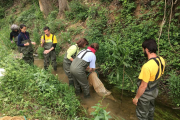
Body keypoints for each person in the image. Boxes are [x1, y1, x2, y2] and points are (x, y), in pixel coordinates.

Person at [132, 39, 165, 120]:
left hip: (145, 95)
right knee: (151, 111)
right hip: (153, 92)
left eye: (143, 49)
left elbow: (143, 86)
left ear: (146, 50)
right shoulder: (161, 60)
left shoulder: (147, 66)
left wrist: (136, 98)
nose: (143, 51)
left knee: (142, 115)